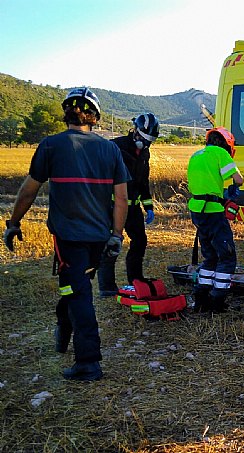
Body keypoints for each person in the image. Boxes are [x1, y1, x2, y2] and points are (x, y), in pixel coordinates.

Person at [2, 87, 129, 381]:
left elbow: (28, 190)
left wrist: (14, 222)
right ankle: (63, 330)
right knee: (76, 287)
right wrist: (117, 235)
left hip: (69, 238)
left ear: (66, 114)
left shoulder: (51, 145)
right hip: (99, 238)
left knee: (79, 293)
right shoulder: (110, 149)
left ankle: (88, 363)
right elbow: (121, 199)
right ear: (95, 118)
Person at [98, 113, 160, 296]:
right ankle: (107, 287)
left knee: (140, 241)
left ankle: (136, 279)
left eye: (150, 141)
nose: (146, 144)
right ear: (135, 131)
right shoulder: (115, 147)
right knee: (111, 244)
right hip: (113, 206)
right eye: (144, 139)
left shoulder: (144, 153)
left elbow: (143, 182)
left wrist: (148, 206)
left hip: (133, 209)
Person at [187, 127, 244, 313]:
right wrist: (231, 190)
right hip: (213, 210)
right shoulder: (220, 153)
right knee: (227, 256)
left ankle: (201, 297)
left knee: (210, 255)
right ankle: (217, 300)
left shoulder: (196, 155)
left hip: (197, 210)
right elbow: (239, 179)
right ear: (227, 144)